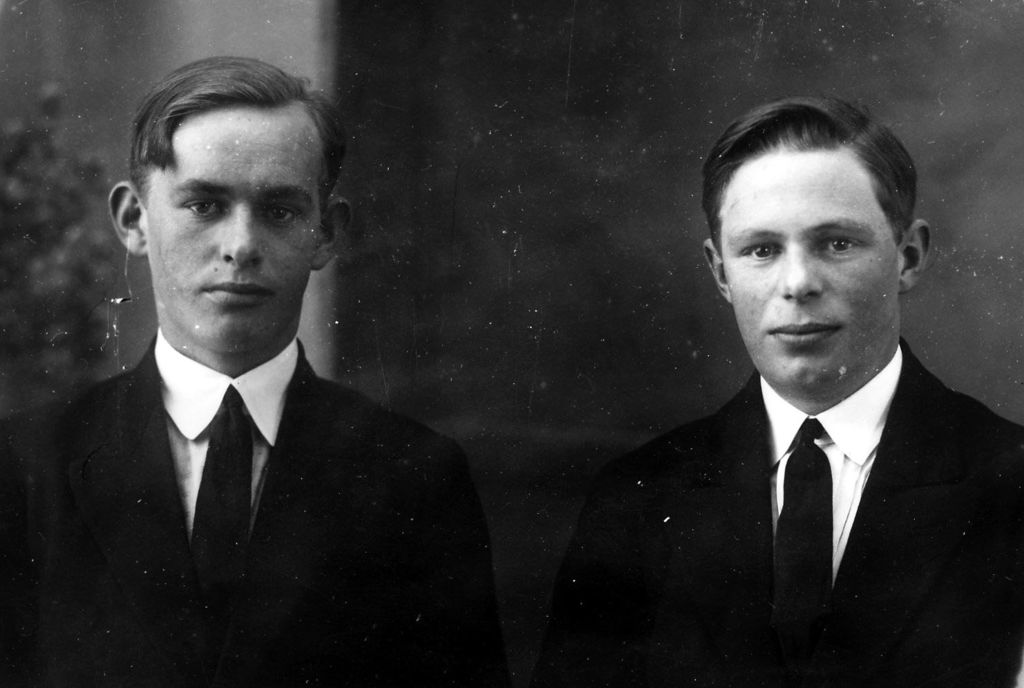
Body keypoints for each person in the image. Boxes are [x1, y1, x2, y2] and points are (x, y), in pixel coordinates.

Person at [0, 56, 509, 688]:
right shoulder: (24, 467)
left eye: (280, 211)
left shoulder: (414, 475)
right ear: (134, 220)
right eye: (204, 205)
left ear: (328, 234)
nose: (241, 245)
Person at [529, 97, 1024, 687]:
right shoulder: (636, 500)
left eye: (837, 243)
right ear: (721, 273)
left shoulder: (1011, 482)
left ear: (908, 257)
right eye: (761, 250)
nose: (797, 283)